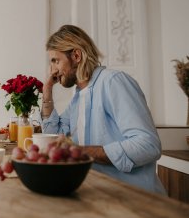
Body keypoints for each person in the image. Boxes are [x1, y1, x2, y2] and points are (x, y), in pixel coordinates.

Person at [41, 24, 166, 194]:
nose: (52, 70)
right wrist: (47, 91)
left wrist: (82, 152)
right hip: (98, 196)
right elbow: (52, 137)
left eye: (56, 61)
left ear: (76, 55)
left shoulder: (113, 82)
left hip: (134, 200)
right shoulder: (78, 98)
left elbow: (148, 145)